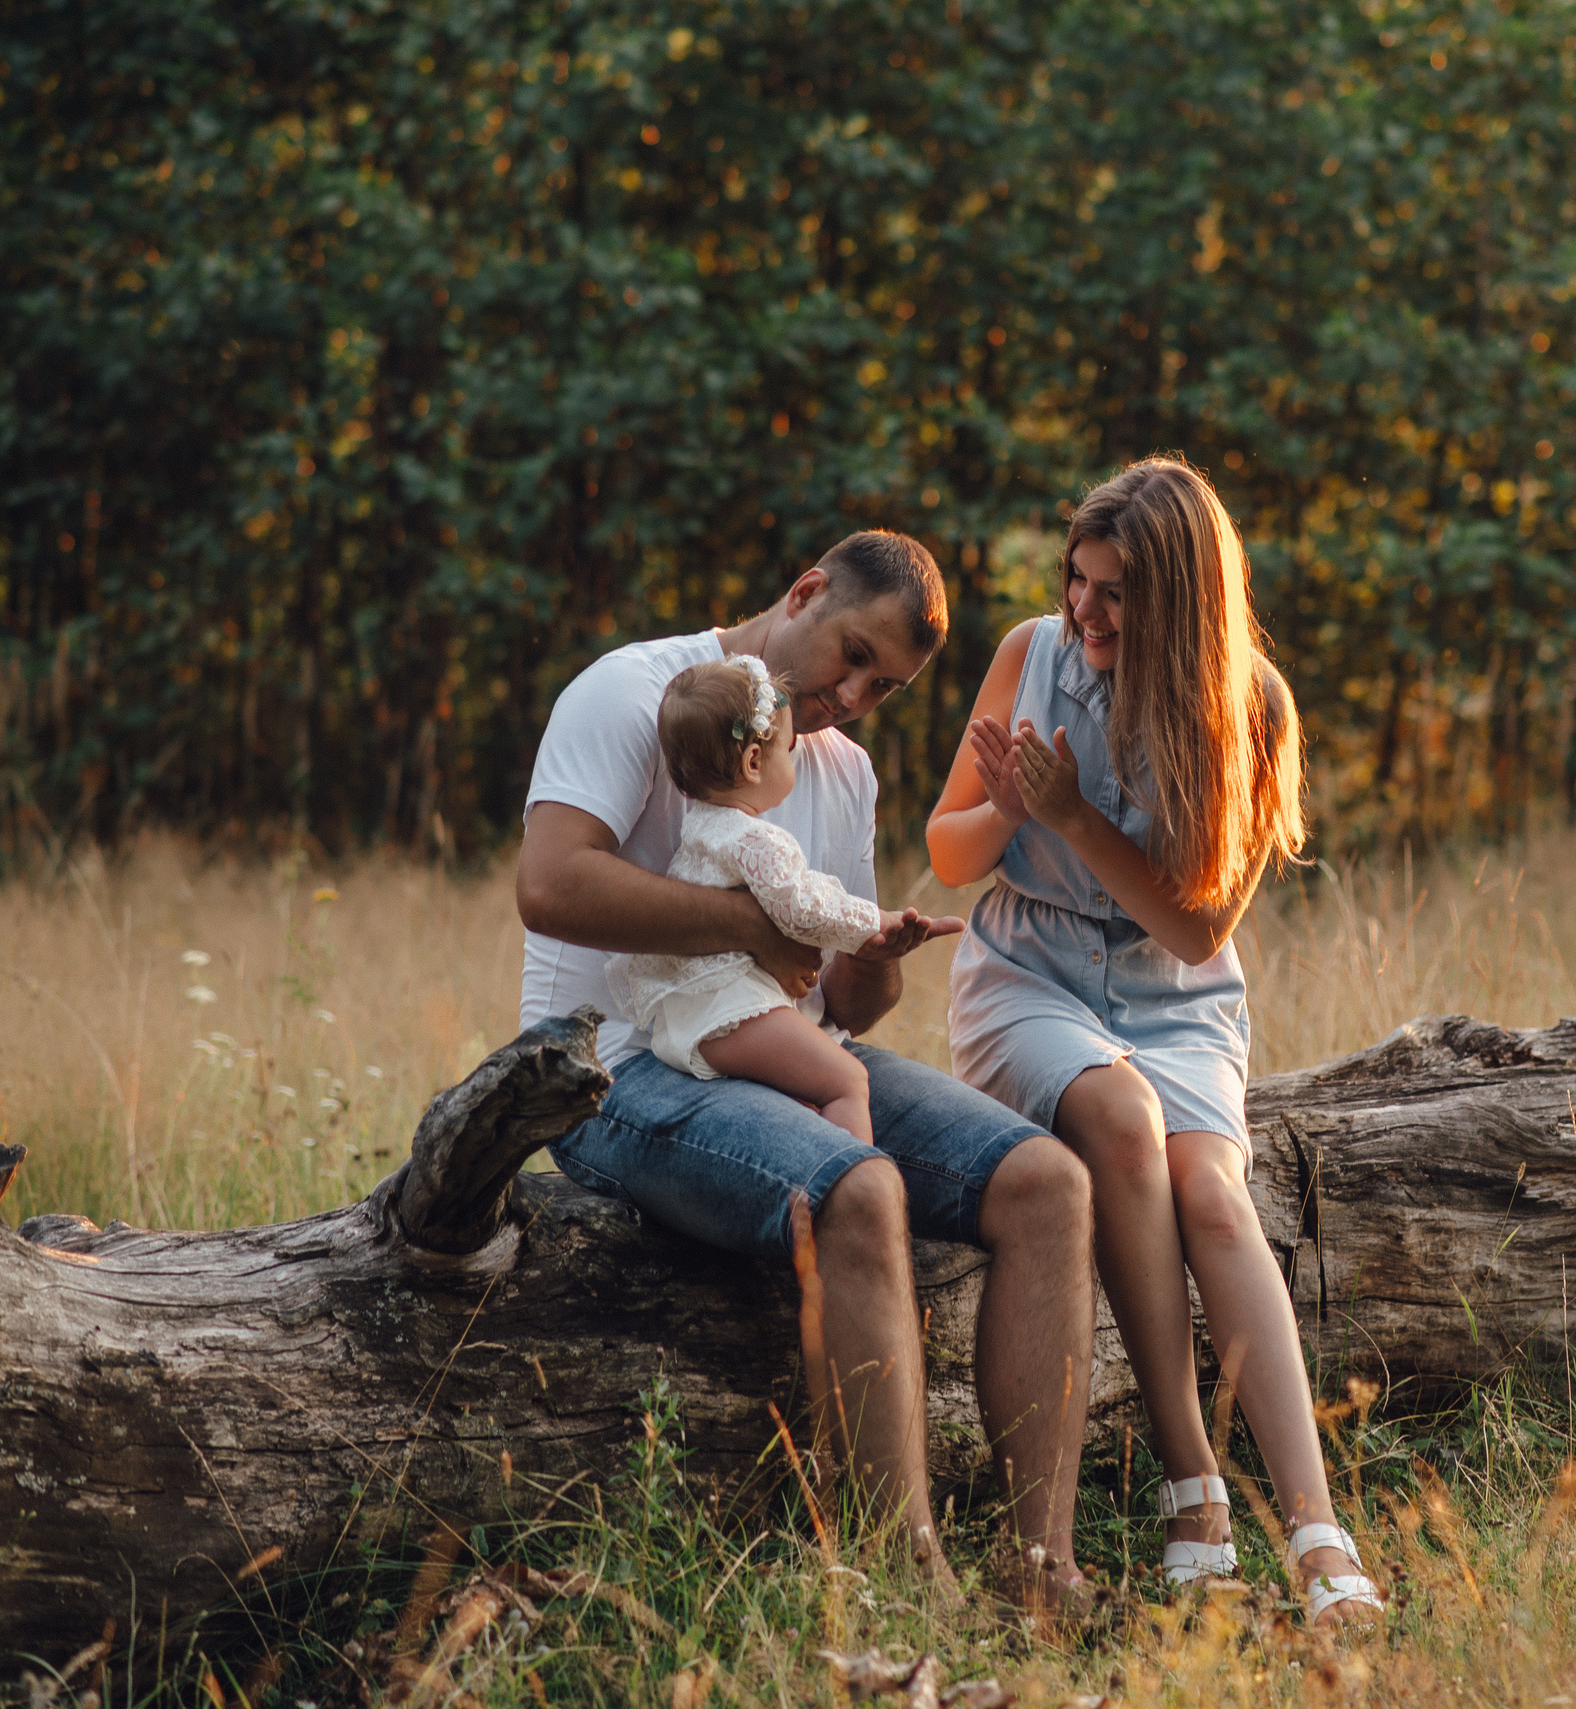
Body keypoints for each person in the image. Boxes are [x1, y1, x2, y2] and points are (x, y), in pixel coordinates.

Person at [516, 531, 1097, 1611]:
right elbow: (549, 885)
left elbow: (844, 1001)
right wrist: (750, 924)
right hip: (616, 1066)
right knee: (860, 1185)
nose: (854, 695)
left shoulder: (841, 768)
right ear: (804, 591)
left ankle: (1041, 1574)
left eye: (886, 686)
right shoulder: (634, 690)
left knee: (1050, 1182)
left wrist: (875, 958)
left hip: (784, 1047)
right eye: (854, 654)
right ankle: (909, 1581)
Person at [927, 457, 1385, 1625]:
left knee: (1216, 1200)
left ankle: (1317, 1531)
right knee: (1123, 1123)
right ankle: (1194, 1481)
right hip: (1025, 973)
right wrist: (1010, 811)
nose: (1084, 609)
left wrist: (1076, 817)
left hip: (1173, 996)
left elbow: (1194, 928)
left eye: (1116, 592)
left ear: (1180, 601)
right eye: (1076, 579)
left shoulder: (1253, 707)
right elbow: (945, 851)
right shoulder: (1030, 654)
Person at [605, 655, 964, 1145]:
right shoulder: (757, 841)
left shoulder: (701, 828)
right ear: (754, 762)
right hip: (729, 1011)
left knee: (804, 1093)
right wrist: (875, 922)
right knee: (848, 1080)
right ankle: (851, 1174)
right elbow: (802, 908)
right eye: (787, 748)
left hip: (692, 1016)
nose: (793, 757)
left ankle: (812, 1167)